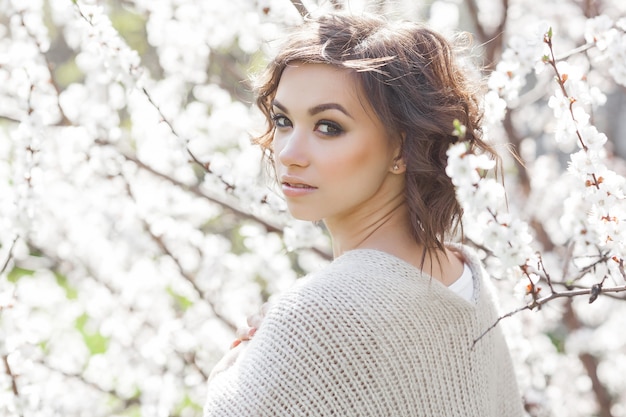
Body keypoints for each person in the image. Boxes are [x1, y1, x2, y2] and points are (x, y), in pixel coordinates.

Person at [204, 12, 525, 417]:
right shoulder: (464, 276)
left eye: (329, 127)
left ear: (400, 149)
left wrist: (233, 367)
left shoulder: (313, 316)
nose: (288, 153)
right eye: (283, 121)